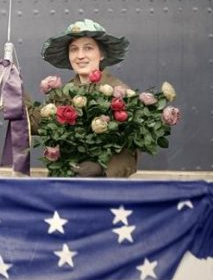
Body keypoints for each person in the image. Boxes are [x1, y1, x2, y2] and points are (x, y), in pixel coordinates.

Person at [31, 18, 138, 178]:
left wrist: (103, 170)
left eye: (88, 48)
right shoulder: (62, 95)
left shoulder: (120, 94)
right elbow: (35, 124)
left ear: (101, 54)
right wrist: (14, 93)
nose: (80, 56)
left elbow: (131, 148)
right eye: (74, 49)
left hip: (102, 188)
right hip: (64, 181)